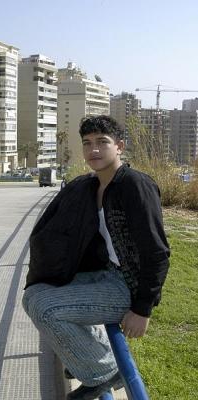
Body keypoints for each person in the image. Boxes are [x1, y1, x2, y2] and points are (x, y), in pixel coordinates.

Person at [23, 115, 170, 400]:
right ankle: (87, 359)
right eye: (87, 143)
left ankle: (103, 373)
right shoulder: (92, 185)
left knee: (45, 308)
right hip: (106, 274)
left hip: (129, 288)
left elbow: (157, 252)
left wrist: (142, 309)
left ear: (120, 147)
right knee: (34, 294)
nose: (94, 150)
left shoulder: (134, 185)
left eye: (103, 142)